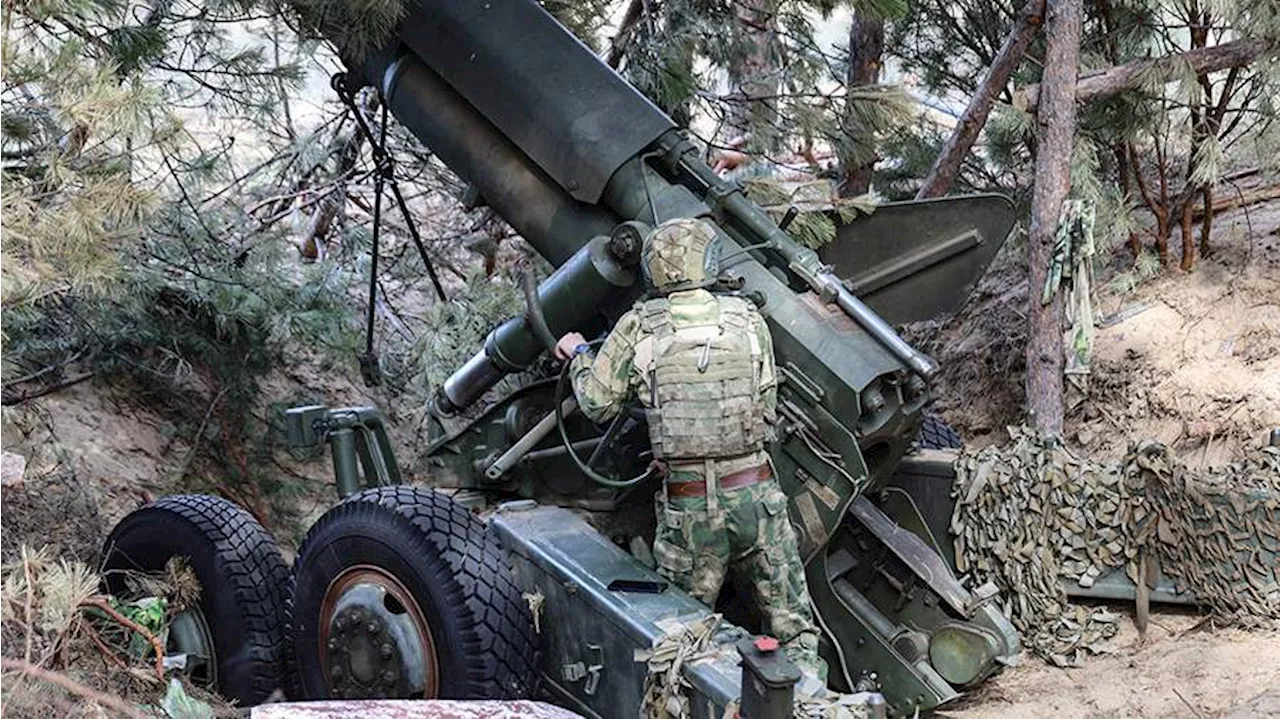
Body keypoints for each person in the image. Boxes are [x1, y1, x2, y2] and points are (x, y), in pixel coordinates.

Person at [553, 216, 827, 682]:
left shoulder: (640, 325)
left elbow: (597, 404)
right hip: (757, 500)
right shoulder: (746, 318)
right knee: (795, 631)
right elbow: (765, 407)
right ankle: (812, 704)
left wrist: (580, 355)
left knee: (682, 640)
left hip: (690, 508)